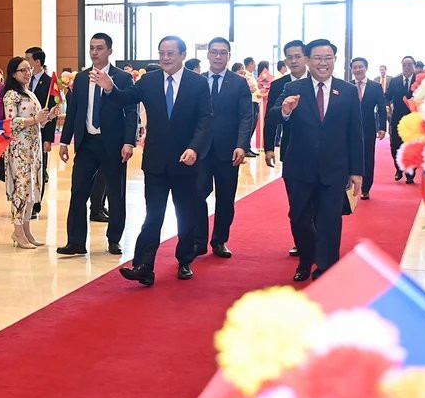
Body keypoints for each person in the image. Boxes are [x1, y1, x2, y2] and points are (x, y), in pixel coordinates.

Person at [93, 35, 212, 285]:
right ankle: (144, 265)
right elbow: (125, 98)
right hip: (156, 162)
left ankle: (185, 260)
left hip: (186, 161)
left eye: (170, 53)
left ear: (182, 55)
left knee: (185, 215)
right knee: (153, 215)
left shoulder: (198, 83)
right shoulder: (149, 80)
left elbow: (205, 121)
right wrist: (109, 87)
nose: (165, 58)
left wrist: (195, 149)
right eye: (161, 53)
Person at [267, 38, 363, 282]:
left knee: (330, 221)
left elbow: (355, 132)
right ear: (308, 60)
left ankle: (326, 269)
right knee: (298, 217)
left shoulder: (348, 91)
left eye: (328, 58)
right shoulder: (294, 89)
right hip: (300, 168)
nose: (323, 63)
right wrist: (286, 110)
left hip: (334, 169)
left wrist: (357, 170)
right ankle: (306, 259)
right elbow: (273, 115)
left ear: (334, 60)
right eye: (318, 58)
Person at [57, 33, 138, 256]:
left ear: (109, 51)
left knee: (115, 193)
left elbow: (131, 112)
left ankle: (114, 240)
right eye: (92, 48)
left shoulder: (122, 78)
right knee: (78, 192)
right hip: (87, 144)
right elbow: (74, 112)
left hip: (113, 144)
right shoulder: (81, 79)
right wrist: (64, 141)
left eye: (100, 48)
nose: (94, 52)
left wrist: (128, 142)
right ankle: (75, 242)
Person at [193, 37, 252, 259]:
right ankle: (199, 241)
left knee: (225, 198)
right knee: (197, 195)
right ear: (207, 54)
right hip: (200, 150)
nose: (218, 56)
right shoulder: (196, 81)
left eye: (223, 53)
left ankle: (219, 240)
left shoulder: (238, 83)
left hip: (229, 151)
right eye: (214, 52)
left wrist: (241, 145)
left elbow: (247, 116)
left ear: (229, 56)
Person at [2, 56, 59, 248]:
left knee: (33, 188)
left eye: (29, 69)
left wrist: (48, 116)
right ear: (13, 74)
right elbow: (11, 123)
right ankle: (18, 231)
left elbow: (39, 121)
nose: (28, 73)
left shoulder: (30, 93)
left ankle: (26, 230)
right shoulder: (11, 95)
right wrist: (35, 119)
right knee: (22, 188)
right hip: (19, 149)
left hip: (34, 147)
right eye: (23, 70)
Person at [264, 40, 307, 257]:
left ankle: (318, 240)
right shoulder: (280, 85)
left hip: (322, 154)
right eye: (289, 57)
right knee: (296, 201)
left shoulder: (319, 82)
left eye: (297, 56)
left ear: (306, 57)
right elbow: (270, 117)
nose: (293, 61)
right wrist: (268, 147)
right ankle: (300, 242)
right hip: (291, 151)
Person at [24, 47, 57, 217]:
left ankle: (36, 206)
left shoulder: (49, 82)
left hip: (41, 132)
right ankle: (24, 202)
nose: (26, 63)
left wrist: (48, 139)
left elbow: (53, 110)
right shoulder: (22, 81)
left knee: (39, 169)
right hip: (23, 134)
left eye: (28, 59)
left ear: (37, 62)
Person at [350, 57, 387, 200]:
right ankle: (349, 185)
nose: (358, 70)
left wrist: (382, 127)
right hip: (349, 129)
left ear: (366, 68)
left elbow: (382, 108)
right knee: (350, 156)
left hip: (368, 128)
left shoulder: (375, 86)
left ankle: (366, 188)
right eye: (355, 67)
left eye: (361, 67)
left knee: (367, 158)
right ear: (351, 69)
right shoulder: (347, 86)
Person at [386, 56, 417, 183]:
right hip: (397, 118)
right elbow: (387, 96)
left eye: (409, 64)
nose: (407, 67)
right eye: (404, 64)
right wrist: (387, 105)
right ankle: (398, 168)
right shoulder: (395, 80)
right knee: (395, 145)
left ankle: (410, 172)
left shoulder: (419, 81)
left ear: (414, 66)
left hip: (414, 119)